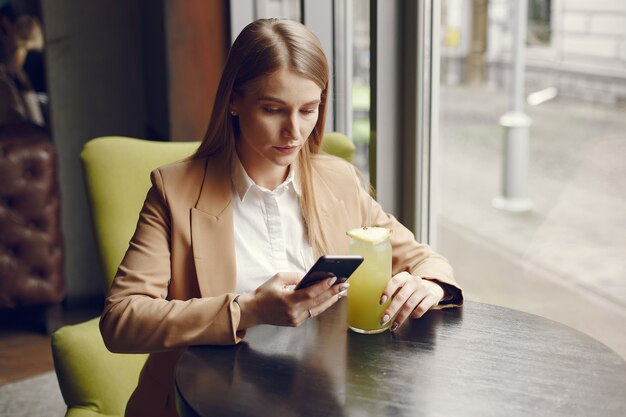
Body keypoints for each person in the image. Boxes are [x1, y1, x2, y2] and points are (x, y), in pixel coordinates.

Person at [100, 18, 463, 417]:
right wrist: (248, 310)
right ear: (234, 102)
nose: (294, 131)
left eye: (308, 110)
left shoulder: (337, 181)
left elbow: (425, 260)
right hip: (204, 404)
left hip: (320, 399)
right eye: (273, 109)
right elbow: (121, 320)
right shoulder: (174, 192)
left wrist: (429, 284)